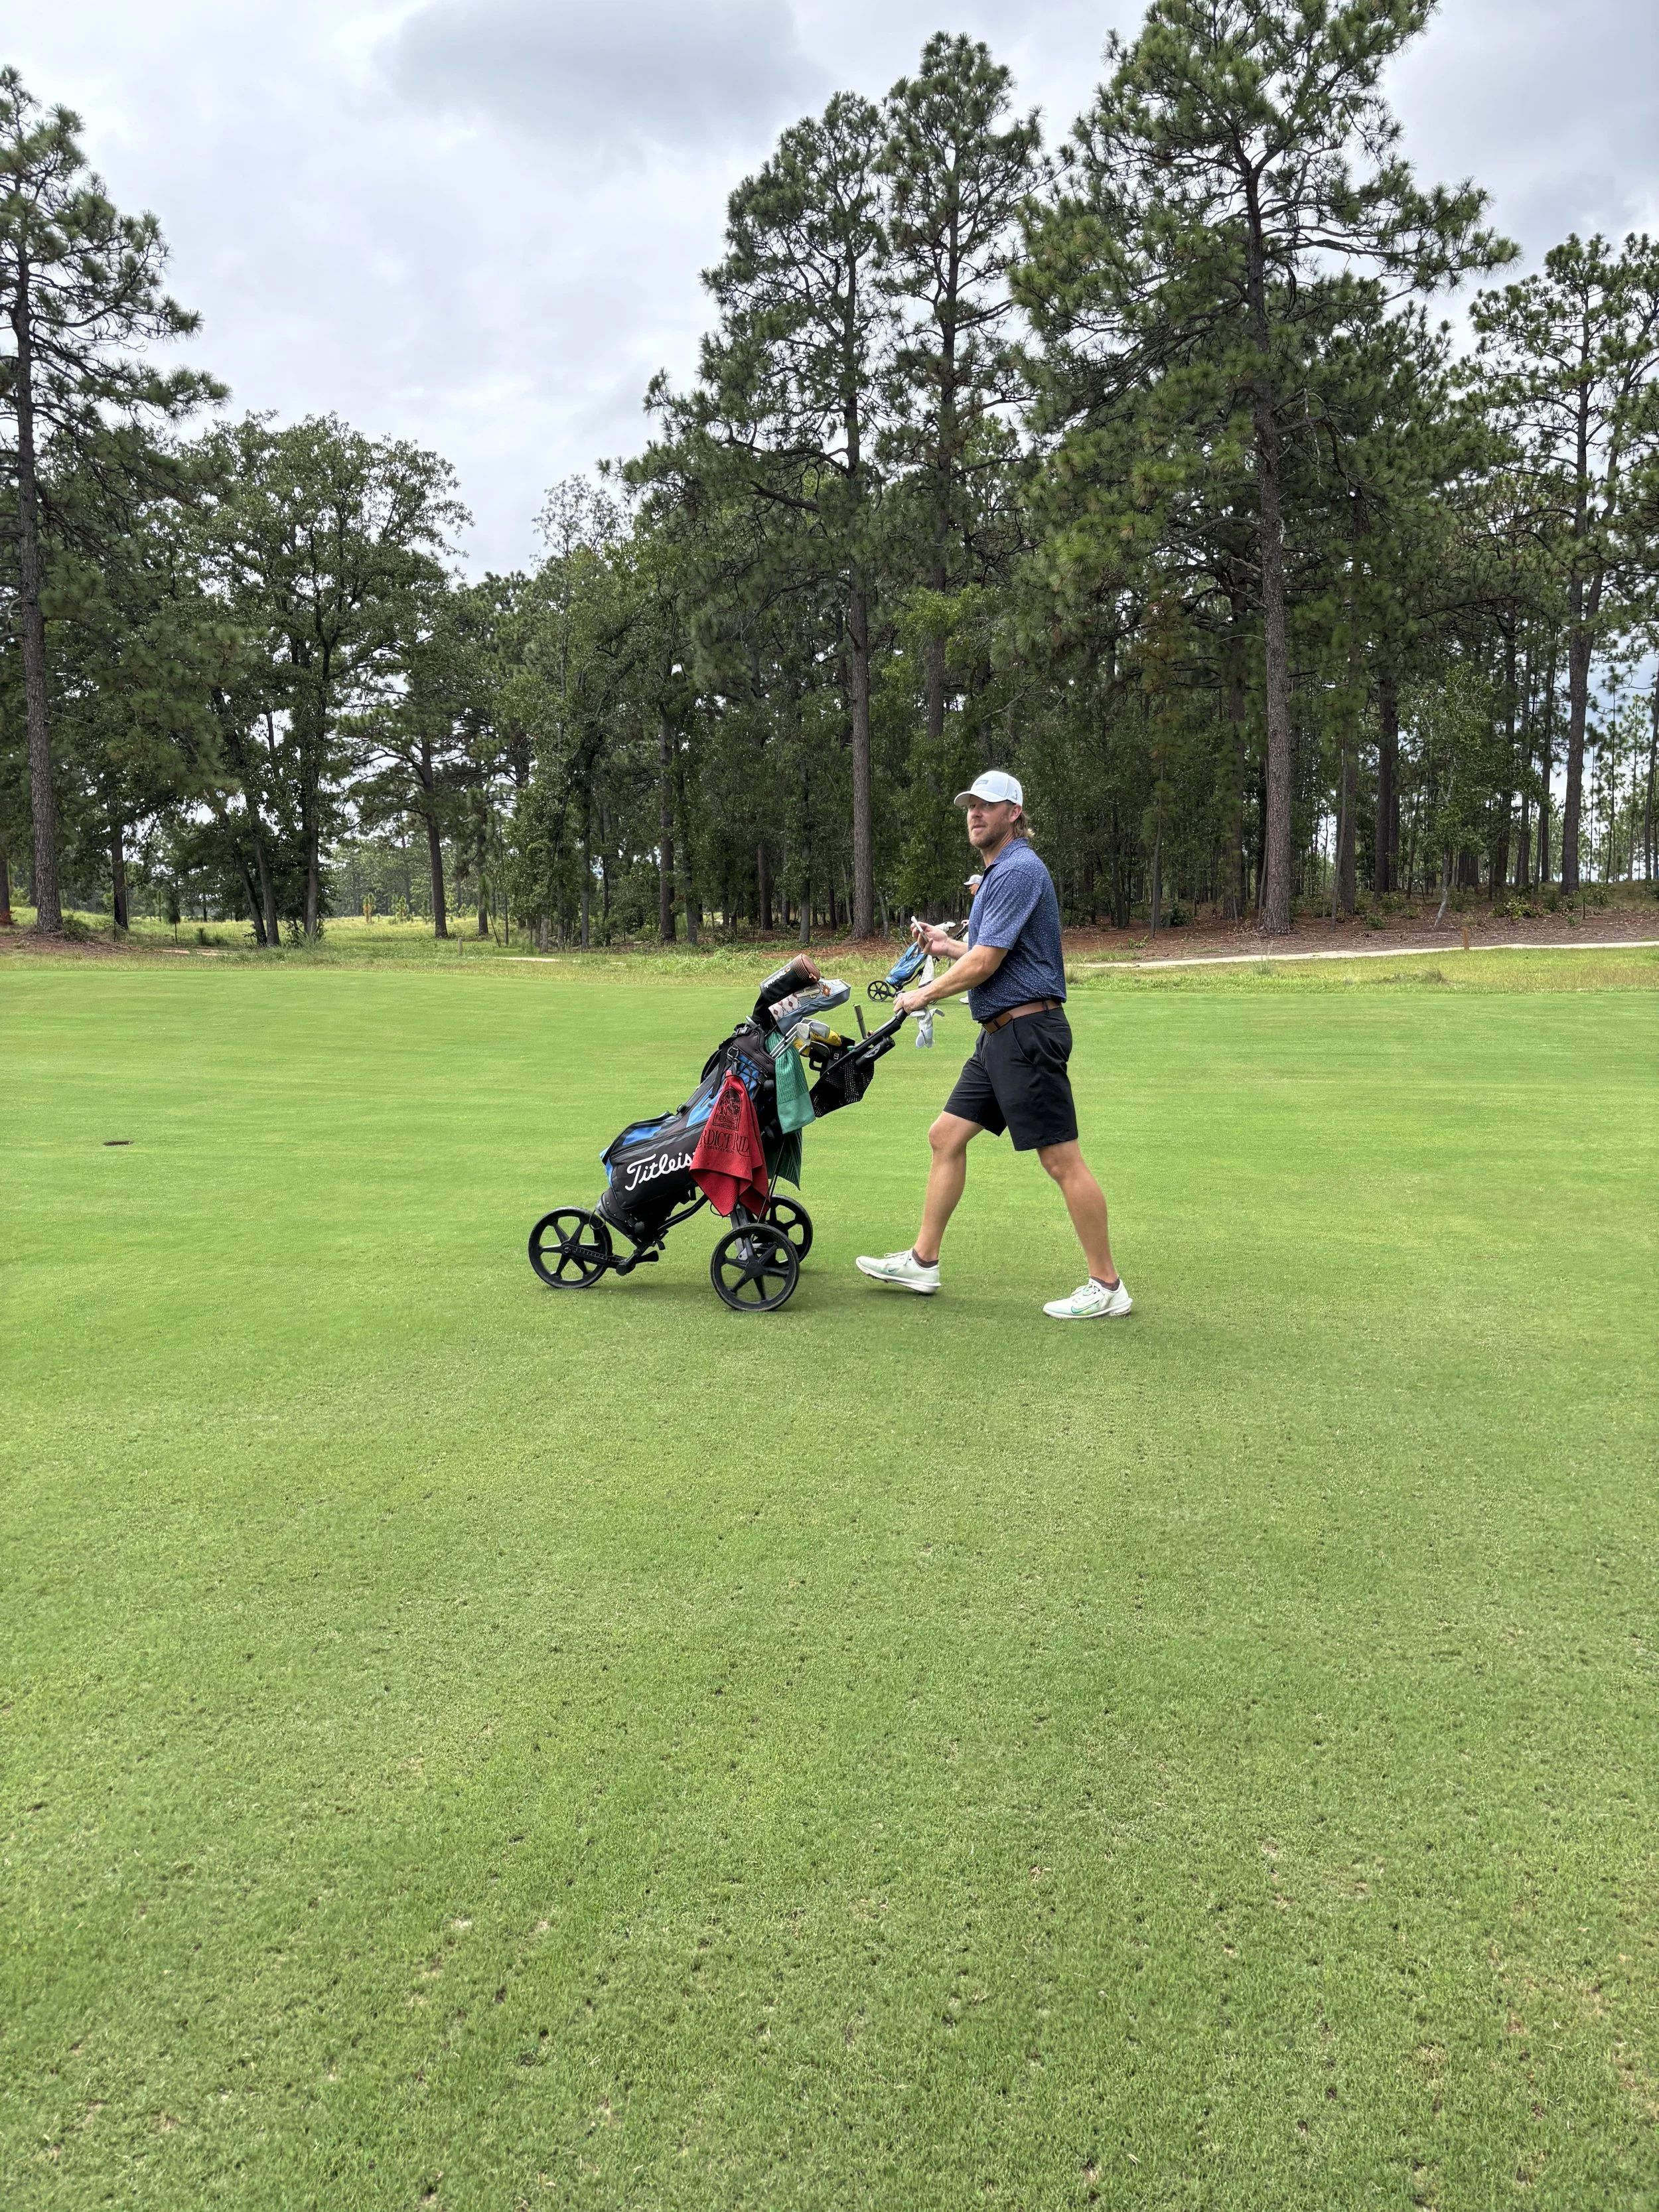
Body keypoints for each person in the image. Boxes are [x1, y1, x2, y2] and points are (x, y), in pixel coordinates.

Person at [855, 771, 1131, 1319]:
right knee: (945, 1135)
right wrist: (947, 944)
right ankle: (923, 1260)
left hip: (1027, 1034)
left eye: (987, 805)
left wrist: (922, 993)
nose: (975, 814)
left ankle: (1107, 1286)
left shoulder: (1019, 869)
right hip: (999, 1036)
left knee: (1061, 1161)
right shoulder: (1000, 872)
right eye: (970, 806)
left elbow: (988, 963)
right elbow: (987, 951)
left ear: (1015, 813)